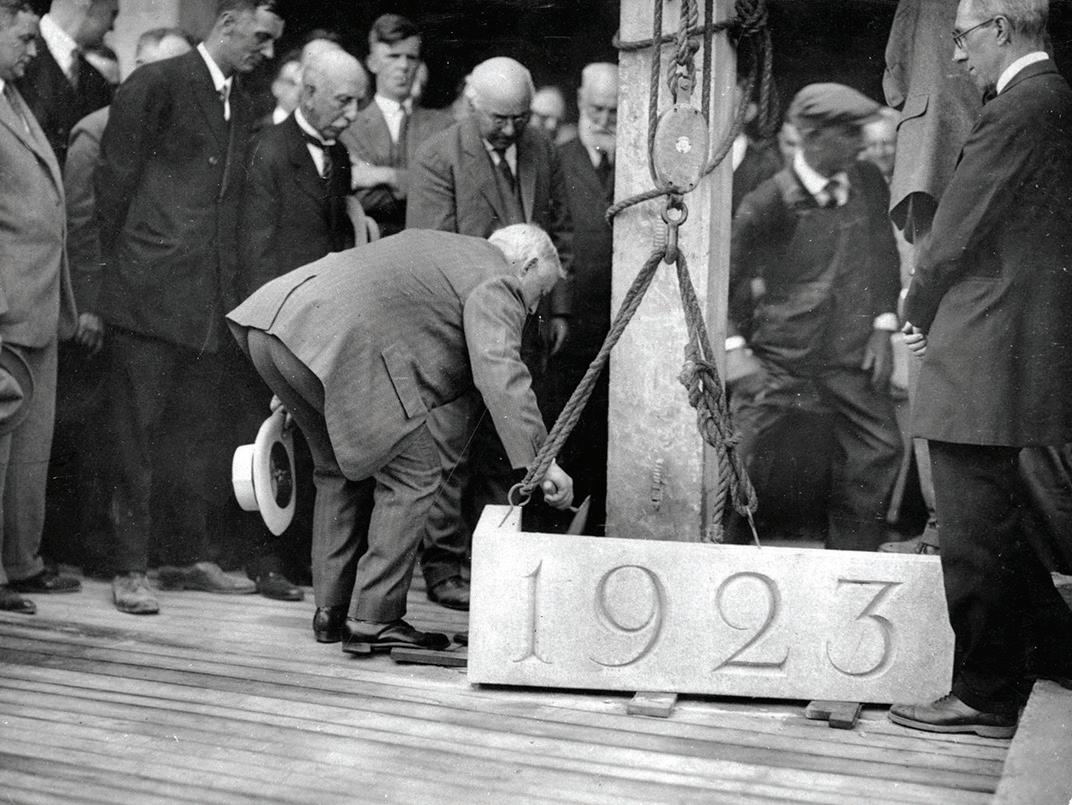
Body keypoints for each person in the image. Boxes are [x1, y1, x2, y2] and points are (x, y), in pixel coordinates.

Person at [227, 224, 575, 652]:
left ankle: (330, 612)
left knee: (336, 470)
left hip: (276, 326)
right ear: (529, 265)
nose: (534, 308)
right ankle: (374, 619)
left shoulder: (443, 248)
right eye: (540, 293)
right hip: (331, 346)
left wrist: (298, 372)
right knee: (416, 473)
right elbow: (499, 371)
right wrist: (542, 461)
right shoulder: (497, 278)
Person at [890, 0, 1072, 738]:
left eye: (963, 39)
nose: (958, 56)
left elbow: (954, 230)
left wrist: (917, 307)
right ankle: (1060, 652)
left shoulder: (1017, 109)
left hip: (982, 341)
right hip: (1013, 340)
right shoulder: (1053, 101)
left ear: (1000, 29)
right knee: (998, 522)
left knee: (971, 533)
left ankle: (985, 692)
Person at [95, 0, 284, 615]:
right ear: (226, 25)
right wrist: (115, 283)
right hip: (146, 299)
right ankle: (130, 568)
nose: (268, 52)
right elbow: (111, 189)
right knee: (135, 440)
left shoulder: (243, 100)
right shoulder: (157, 84)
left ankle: (186, 555)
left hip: (206, 305)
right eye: (260, 37)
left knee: (195, 435)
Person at [407, 56, 573, 611]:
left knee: (508, 448)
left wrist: (560, 310)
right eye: (498, 118)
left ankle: (497, 563)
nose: (509, 129)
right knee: (451, 451)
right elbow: (431, 253)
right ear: (471, 103)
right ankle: (444, 568)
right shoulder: (438, 158)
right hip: (462, 327)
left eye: (520, 118)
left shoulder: (542, 149)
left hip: (529, 323)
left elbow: (560, 232)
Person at [726, 83, 903, 551]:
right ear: (813, 136)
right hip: (780, 360)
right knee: (738, 455)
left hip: (849, 356)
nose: (863, 143)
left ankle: (854, 562)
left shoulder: (866, 180)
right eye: (850, 133)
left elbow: (884, 257)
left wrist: (883, 326)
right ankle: (723, 558)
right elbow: (726, 285)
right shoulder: (766, 204)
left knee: (880, 446)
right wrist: (736, 352)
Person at [229, 48, 364, 601]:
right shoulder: (267, 150)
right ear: (307, 93)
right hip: (273, 325)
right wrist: (273, 339)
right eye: (343, 100)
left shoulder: (339, 154)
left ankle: (302, 558)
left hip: (319, 325)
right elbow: (255, 255)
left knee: (309, 444)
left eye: (358, 102)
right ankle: (265, 562)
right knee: (266, 440)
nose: (352, 113)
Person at [58, 26, 193, 578]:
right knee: (100, 434)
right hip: (105, 312)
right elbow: (80, 222)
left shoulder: (176, 133)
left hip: (151, 309)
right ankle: (95, 548)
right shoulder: (96, 131)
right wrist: (89, 304)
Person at [0, 0, 80, 613]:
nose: (35, 51)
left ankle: (20, 562)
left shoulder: (13, 98)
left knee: (28, 451)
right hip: (7, 307)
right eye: (25, 38)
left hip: (38, 303)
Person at [547, 62, 617, 535]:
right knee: (561, 434)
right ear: (579, 101)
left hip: (618, 325)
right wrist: (558, 310)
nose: (605, 119)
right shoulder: (558, 160)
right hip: (570, 326)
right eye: (596, 109)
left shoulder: (637, 162)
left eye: (614, 110)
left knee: (604, 441)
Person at [340, 14, 452, 238]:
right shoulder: (349, 127)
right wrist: (416, 183)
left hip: (429, 245)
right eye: (393, 56)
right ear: (372, 63)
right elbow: (357, 200)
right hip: (371, 247)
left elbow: (447, 193)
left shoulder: (443, 126)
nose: (403, 66)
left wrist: (385, 176)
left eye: (411, 57)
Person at [16, 0, 117, 167]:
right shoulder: (11, 61)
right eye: (113, 13)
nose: (112, 27)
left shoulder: (96, 80)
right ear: (87, 4)